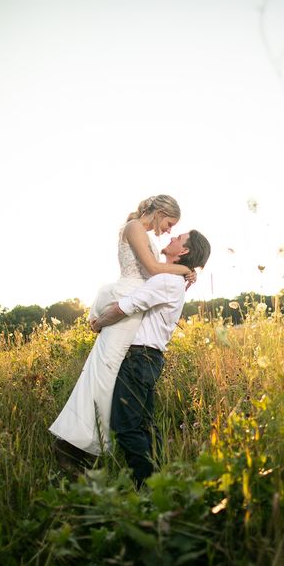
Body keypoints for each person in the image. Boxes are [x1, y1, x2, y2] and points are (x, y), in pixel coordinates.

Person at [49, 195, 196, 462]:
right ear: (160, 211)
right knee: (103, 373)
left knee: (111, 376)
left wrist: (183, 272)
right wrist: (185, 267)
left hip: (135, 309)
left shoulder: (146, 235)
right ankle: (76, 443)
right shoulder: (134, 228)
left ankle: (86, 446)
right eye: (170, 222)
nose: (169, 230)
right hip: (128, 304)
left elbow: (156, 274)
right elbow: (152, 269)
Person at [90, 230, 211, 487]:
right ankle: (159, 480)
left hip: (139, 357)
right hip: (148, 358)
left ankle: (146, 485)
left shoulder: (166, 281)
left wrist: (98, 323)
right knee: (145, 423)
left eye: (178, 237)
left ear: (184, 251)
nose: (171, 237)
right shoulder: (172, 278)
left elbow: (124, 307)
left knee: (125, 425)